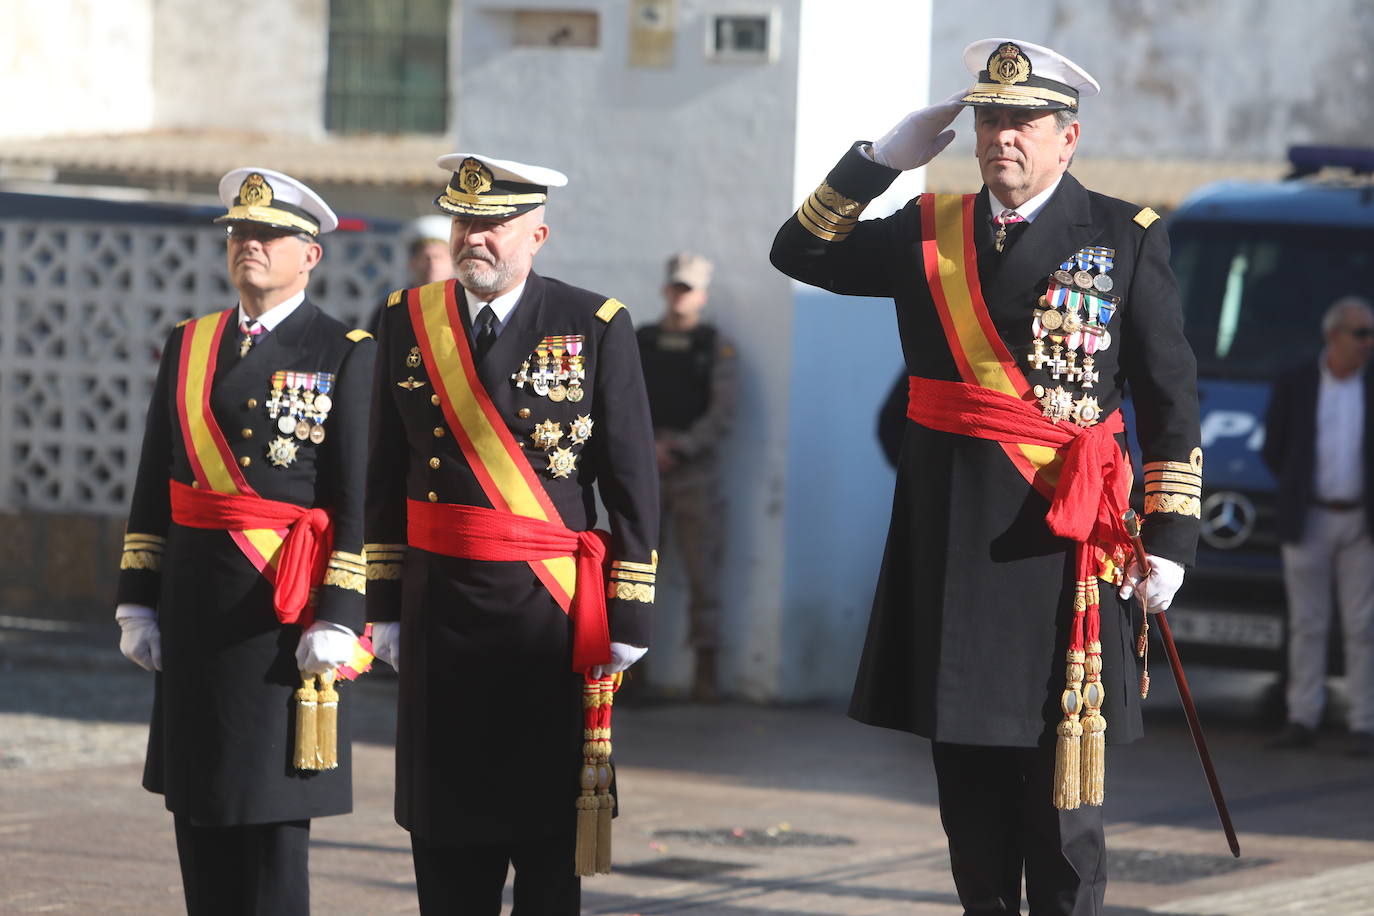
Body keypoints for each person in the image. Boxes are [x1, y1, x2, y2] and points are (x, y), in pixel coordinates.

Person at [770, 38, 1202, 915]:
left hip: (1064, 549)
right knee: (967, 805)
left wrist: (1170, 538)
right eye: (991, 120)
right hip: (955, 541)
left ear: (1067, 137)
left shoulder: (1123, 236)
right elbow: (800, 255)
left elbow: (1169, 399)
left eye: (1025, 123)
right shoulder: (928, 230)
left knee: (1061, 817)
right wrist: (879, 162)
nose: (1004, 137)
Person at [364, 153, 659, 914]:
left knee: (543, 843)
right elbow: (383, 475)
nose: (477, 240)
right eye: (465, 222)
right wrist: (384, 602)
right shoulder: (406, 318)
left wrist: (627, 611)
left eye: (495, 225)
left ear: (538, 234)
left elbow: (630, 483)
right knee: (445, 836)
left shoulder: (592, 324)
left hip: (547, 616)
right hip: (439, 612)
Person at [114, 167, 375, 915]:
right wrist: (138, 599)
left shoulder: (344, 350)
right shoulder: (189, 343)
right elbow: (153, 482)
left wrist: (340, 616)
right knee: (196, 813)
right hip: (196, 609)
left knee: (267, 828)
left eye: (267, 235)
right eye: (239, 233)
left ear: (310, 255)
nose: (248, 245)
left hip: (281, 616)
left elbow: (356, 500)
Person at [1263, 296, 1374, 758]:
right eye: (1361, 334)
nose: (1368, 344)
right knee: (1308, 624)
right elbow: (1275, 447)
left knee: (1363, 625)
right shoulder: (1297, 381)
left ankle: (1364, 723)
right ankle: (1302, 717)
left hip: (1361, 522)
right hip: (1308, 517)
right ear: (1333, 335)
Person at [636, 252, 737, 701]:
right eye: (676, 287)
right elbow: (624, 398)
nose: (681, 296)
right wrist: (648, 448)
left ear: (703, 295)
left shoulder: (715, 344)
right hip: (645, 467)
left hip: (695, 470)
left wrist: (682, 447)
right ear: (665, 290)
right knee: (634, 573)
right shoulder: (642, 340)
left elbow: (723, 410)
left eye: (689, 289)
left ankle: (706, 673)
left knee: (704, 573)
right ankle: (632, 671)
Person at [404, 214, 457, 286]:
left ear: (453, 263)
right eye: (425, 258)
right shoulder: (397, 297)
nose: (432, 265)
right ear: (412, 263)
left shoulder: (468, 297)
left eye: (438, 257)